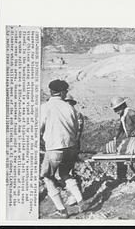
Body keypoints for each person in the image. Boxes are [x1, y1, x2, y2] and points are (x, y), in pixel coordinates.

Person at [40, 79, 87, 218]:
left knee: (47, 177)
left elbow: (38, 129)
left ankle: (61, 210)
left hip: (55, 148)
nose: (66, 93)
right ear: (61, 92)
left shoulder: (45, 107)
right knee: (65, 174)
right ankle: (80, 201)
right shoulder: (70, 108)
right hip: (71, 147)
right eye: (65, 91)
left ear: (51, 92)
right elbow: (75, 129)